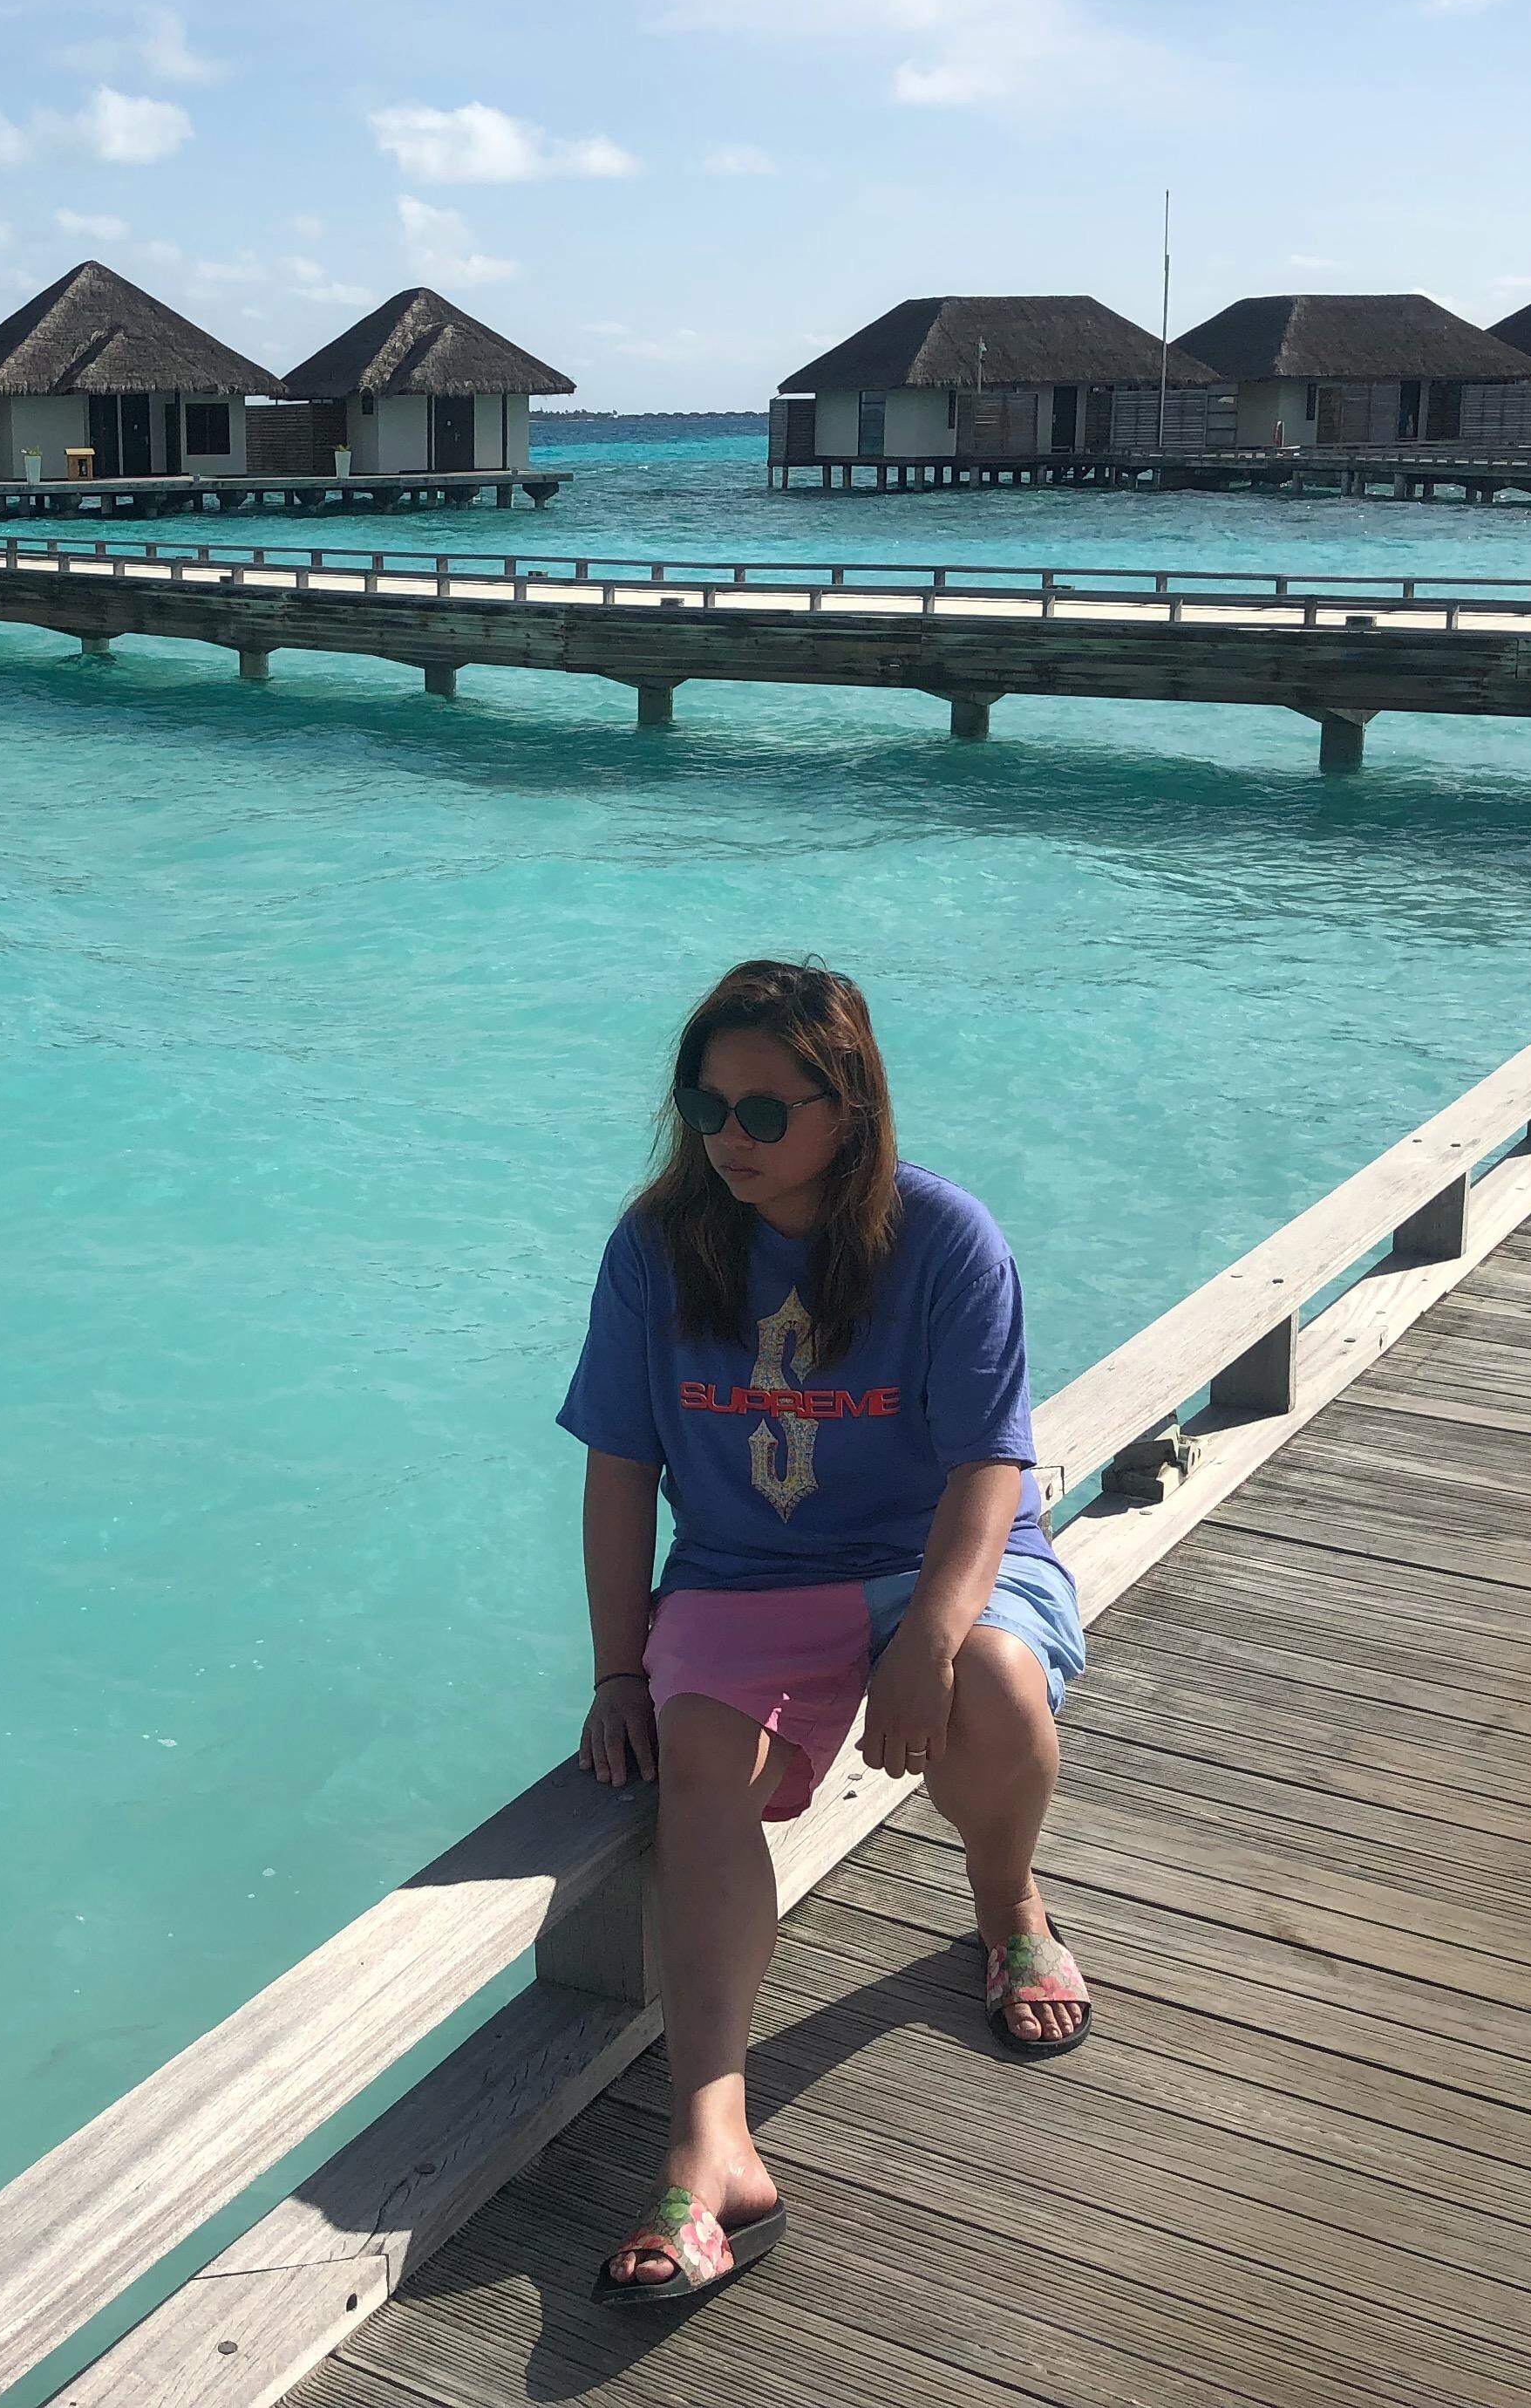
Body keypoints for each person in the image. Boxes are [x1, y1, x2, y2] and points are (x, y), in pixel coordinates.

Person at [557, 958, 1090, 2305]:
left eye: (762, 1112)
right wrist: (618, 1667)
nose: (727, 1139)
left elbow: (990, 1465)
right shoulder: (655, 1250)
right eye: (705, 1107)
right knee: (695, 1762)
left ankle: (1006, 1902)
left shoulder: (946, 1238)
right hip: (744, 1573)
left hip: (933, 1555)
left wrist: (928, 1636)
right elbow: (619, 1470)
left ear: (847, 1107)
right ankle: (713, 2145)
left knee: (995, 1686)